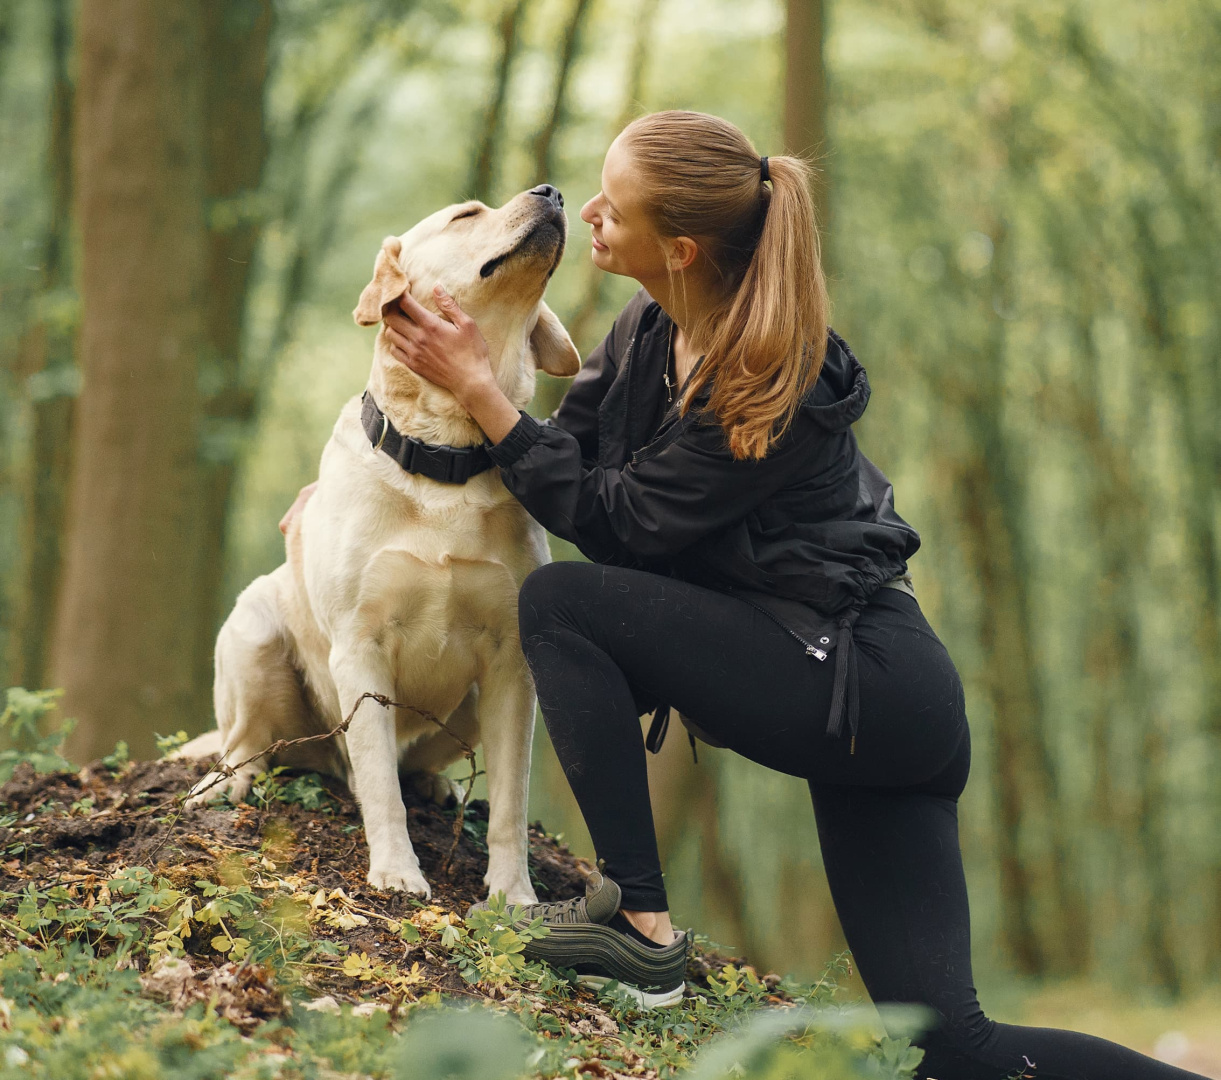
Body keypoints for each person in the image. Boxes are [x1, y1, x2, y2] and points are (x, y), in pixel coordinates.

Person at [298, 111, 1208, 1080]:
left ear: (680, 248)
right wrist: (368, 471)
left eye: (617, 206)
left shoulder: (775, 378)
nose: (590, 214)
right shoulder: (648, 328)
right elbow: (569, 458)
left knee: (562, 605)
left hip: (868, 687)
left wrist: (486, 397)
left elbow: (619, 522)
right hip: (855, 704)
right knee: (953, 1051)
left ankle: (641, 925)